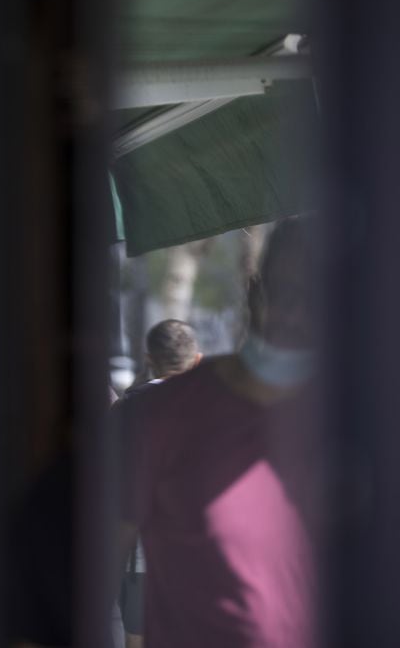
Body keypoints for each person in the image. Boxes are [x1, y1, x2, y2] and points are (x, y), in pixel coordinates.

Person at [117, 218, 319, 648]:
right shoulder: (160, 416)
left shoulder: (365, 420)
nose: (300, 315)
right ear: (255, 292)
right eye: (288, 295)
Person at [115, 319, 201, 648]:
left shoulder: (125, 410)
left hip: (139, 551)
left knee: (137, 636)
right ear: (197, 360)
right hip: (198, 550)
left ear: (149, 357)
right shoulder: (216, 410)